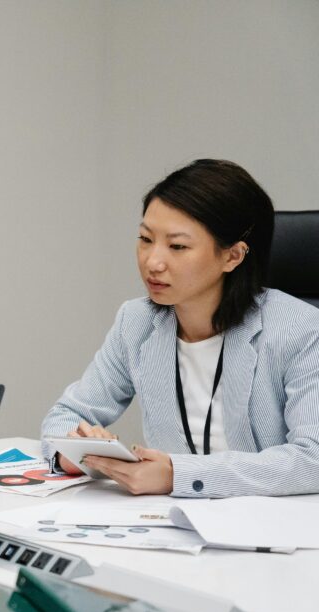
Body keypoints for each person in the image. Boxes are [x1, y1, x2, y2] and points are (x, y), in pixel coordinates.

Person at [42, 159, 319, 497]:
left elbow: (312, 458)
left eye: (177, 246)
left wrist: (179, 475)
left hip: (272, 529)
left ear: (233, 256)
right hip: (171, 523)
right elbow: (68, 414)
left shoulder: (301, 330)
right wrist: (73, 452)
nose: (152, 262)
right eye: (145, 239)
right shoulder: (137, 321)